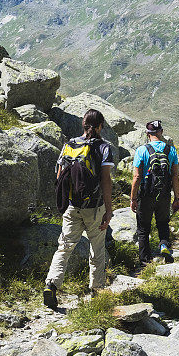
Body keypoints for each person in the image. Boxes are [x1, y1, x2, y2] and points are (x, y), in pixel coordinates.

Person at [44, 109, 114, 310]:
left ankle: (51, 284)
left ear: (83, 125)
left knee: (64, 248)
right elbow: (105, 181)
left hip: (72, 206)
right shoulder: (104, 147)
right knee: (97, 249)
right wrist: (108, 211)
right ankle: (96, 291)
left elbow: (59, 177)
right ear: (100, 126)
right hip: (94, 208)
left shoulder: (69, 145)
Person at [130, 120, 179, 264]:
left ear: (147, 133)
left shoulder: (141, 150)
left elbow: (137, 177)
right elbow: (175, 176)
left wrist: (133, 198)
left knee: (143, 227)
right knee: (163, 223)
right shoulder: (171, 150)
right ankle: (164, 245)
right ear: (161, 132)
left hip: (146, 194)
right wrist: (177, 198)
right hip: (164, 194)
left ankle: (145, 259)